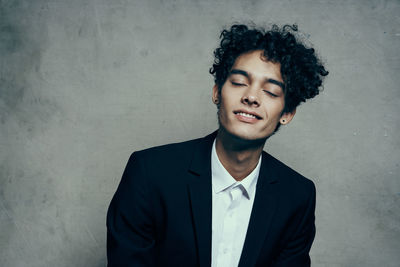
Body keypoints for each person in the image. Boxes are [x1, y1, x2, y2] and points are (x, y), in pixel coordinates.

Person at [107, 24, 328, 267]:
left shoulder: (297, 196)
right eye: (239, 82)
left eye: (271, 91)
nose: (251, 97)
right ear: (216, 92)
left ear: (287, 113)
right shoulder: (150, 173)